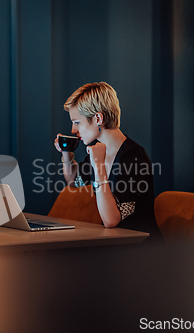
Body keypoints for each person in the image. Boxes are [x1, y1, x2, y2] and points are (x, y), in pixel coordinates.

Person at [54, 82, 162, 242]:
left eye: (77, 122)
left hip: (140, 252)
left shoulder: (134, 157)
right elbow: (74, 182)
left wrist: (98, 166)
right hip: (113, 246)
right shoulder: (97, 150)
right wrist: (66, 154)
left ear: (98, 118)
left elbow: (111, 220)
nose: (73, 130)